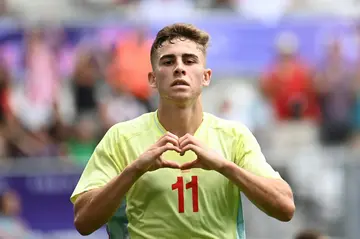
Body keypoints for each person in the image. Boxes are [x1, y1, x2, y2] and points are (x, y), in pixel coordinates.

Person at [71, 23, 295, 238]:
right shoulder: (121, 137)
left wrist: (225, 167)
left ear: (206, 76)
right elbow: (83, 221)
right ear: (153, 79)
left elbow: (285, 207)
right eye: (168, 62)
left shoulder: (234, 136)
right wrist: (134, 170)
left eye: (189, 61)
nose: (179, 68)